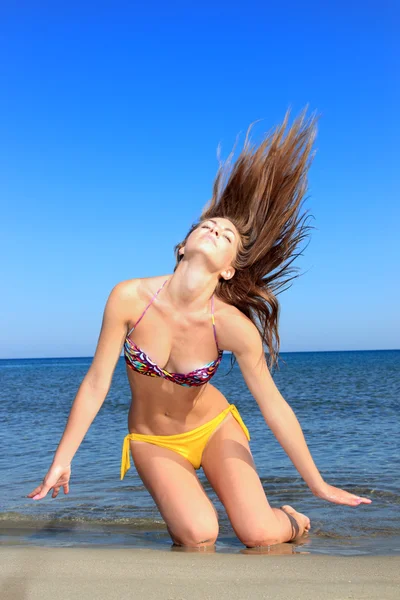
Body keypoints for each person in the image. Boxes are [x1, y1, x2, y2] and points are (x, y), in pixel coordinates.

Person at [28, 109, 371, 549]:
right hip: (153, 440)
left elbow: (274, 407)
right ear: (183, 244)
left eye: (226, 235)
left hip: (214, 429)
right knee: (198, 534)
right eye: (206, 225)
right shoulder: (128, 297)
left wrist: (318, 484)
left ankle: (290, 519)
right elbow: (96, 383)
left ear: (229, 270)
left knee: (259, 535)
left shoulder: (232, 327)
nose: (213, 228)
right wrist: (63, 459)